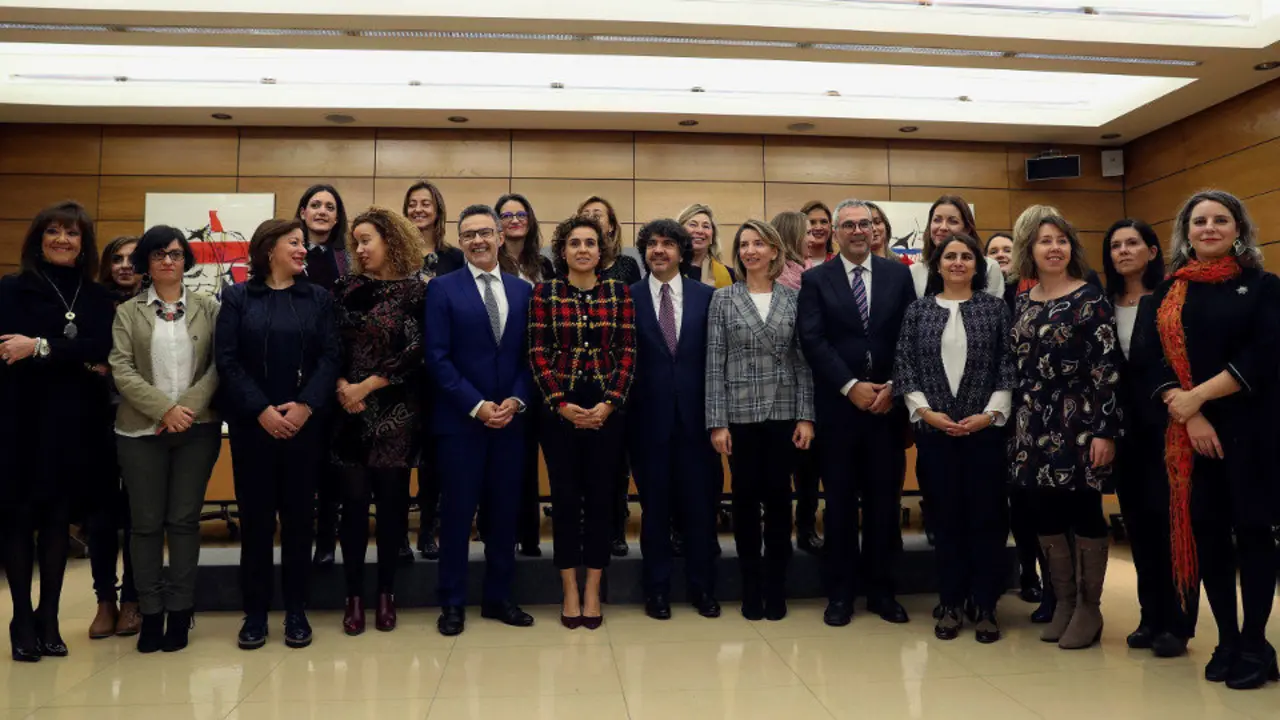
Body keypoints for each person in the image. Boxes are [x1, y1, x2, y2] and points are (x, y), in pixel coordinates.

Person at [1135, 190, 1280, 689]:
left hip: (1252, 433)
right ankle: (1227, 639)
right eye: (1199, 221)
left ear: (1239, 229)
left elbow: (1266, 353)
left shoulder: (1263, 287)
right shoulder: (1165, 295)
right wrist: (1191, 414)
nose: (1210, 228)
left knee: (1254, 534)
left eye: (1221, 220)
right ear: (1186, 232)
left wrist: (1197, 397)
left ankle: (1258, 642)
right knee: (1210, 538)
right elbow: (1150, 362)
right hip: (1191, 438)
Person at [215, 218, 340, 651]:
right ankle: (254, 615)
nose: (303, 250)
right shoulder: (236, 298)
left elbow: (330, 357)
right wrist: (262, 410)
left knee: (300, 522)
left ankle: (296, 611)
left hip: (305, 428)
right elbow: (227, 361)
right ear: (269, 249)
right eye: (294, 243)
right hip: (254, 429)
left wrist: (305, 405)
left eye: (303, 243)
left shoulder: (319, 298)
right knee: (255, 522)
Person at [0, 201, 115, 662]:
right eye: (53, 232)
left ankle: (49, 616)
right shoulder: (12, 288)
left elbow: (102, 348)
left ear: (84, 244)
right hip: (19, 418)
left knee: (56, 520)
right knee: (18, 517)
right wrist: (73, 356)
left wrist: (41, 347)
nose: (62, 240)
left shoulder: (95, 296)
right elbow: (8, 348)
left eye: (72, 233)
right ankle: (21, 617)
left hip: (75, 421)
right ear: (38, 239)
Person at [797, 199, 916, 627]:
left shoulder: (898, 275)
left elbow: (911, 335)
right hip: (839, 411)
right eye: (848, 225)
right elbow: (812, 340)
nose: (858, 231)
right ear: (836, 233)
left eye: (864, 223)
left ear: (875, 229)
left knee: (885, 505)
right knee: (841, 505)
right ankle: (841, 594)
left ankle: (883, 592)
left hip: (888, 410)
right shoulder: (816, 279)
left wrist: (893, 388)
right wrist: (850, 387)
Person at [893, 232, 1015, 643]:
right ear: (937, 264)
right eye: (950, 256)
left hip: (985, 434)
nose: (958, 262)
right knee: (945, 521)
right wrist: (927, 413)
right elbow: (905, 367)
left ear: (978, 266)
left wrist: (990, 414)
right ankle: (949, 601)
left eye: (966, 256)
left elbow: (1007, 366)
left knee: (986, 519)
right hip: (935, 434)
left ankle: (985, 604)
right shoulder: (918, 311)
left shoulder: (996, 309)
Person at [1009, 213, 1122, 651]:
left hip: (1080, 424)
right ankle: (1065, 602)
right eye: (1043, 242)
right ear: (1030, 251)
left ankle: (1090, 609)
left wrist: (1105, 431)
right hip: (1031, 423)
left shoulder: (1090, 300)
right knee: (1043, 512)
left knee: (1084, 512)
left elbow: (1107, 369)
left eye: (1061, 241)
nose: (1053, 248)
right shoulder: (1023, 302)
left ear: (1071, 248)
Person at [109, 225, 222, 653]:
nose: (168, 261)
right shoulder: (128, 312)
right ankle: (150, 612)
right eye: (158, 255)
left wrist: (185, 410)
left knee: (183, 521)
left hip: (198, 429)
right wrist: (164, 410)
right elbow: (121, 368)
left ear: (186, 259)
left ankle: (180, 610)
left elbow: (216, 366)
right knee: (146, 525)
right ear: (146, 263)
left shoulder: (208, 307)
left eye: (175, 254)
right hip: (139, 431)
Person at [426, 204, 536, 637]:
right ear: (461, 239)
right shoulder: (442, 289)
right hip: (461, 424)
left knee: (504, 515)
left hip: (511, 423)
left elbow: (532, 357)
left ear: (498, 235)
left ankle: (499, 598)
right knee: (456, 515)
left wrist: (515, 400)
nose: (478, 241)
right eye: (468, 234)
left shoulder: (523, 291)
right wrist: (477, 405)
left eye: (485, 233)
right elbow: (436, 358)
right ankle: (452, 603)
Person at [528, 216, 636, 629]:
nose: (583, 249)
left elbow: (628, 352)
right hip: (560, 412)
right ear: (563, 251)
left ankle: (594, 587)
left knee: (601, 503)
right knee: (566, 502)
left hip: (607, 412)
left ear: (602, 250)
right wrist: (560, 403)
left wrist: (609, 403)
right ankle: (569, 588)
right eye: (574, 243)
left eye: (590, 242)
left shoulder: (619, 293)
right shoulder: (546, 293)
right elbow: (537, 352)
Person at [707, 220, 815, 621]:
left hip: (784, 414)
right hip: (740, 416)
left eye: (759, 243)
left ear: (774, 251)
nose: (750, 250)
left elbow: (803, 364)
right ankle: (751, 587)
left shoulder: (793, 298)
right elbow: (713, 364)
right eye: (744, 244)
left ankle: (777, 588)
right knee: (747, 504)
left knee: (780, 503)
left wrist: (807, 416)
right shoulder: (723, 300)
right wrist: (717, 422)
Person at [332, 208, 427, 635]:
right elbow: (328, 343)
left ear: (391, 239)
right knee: (351, 510)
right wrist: (341, 386)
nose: (360, 249)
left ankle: (386, 593)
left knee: (391, 511)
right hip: (346, 413)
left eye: (367, 239)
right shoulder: (344, 287)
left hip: (396, 414)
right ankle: (353, 597)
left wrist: (366, 386)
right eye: (355, 242)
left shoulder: (416, 292)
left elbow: (416, 353)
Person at [1101, 218, 1192, 658]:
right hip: (1124, 430)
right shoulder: (1102, 301)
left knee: (1171, 524)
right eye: (1115, 245)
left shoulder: (1172, 298)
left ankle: (1178, 622)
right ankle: (1150, 615)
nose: (1124, 251)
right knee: (1138, 524)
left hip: (1169, 425)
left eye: (1133, 243)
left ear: (1152, 250)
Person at [627, 219, 722, 620]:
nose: (659, 250)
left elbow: (719, 361)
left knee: (700, 510)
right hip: (647, 424)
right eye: (652, 244)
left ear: (683, 252)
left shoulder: (709, 297)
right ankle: (658, 591)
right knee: (655, 512)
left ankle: (702, 589)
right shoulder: (626, 298)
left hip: (699, 423)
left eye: (668, 243)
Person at [577, 195, 641, 557]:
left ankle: (615, 528)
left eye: (598, 215)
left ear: (612, 226)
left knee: (616, 464)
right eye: (586, 216)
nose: (592, 220)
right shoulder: (565, 267)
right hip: (576, 381)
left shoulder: (627, 267)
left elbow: (628, 331)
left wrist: (614, 392)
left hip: (616, 379)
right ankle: (587, 525)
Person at [403, 180, 464, 561]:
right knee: (397, 453)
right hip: (400, 368)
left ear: (439, 211)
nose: (419, 210)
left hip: (442, 366)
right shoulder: (394, 254)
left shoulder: (454, 258)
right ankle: (396, 535)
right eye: (413, 204)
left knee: (434, 456)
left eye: (427, 204)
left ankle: (428, 529)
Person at [87, 235, 143, 641]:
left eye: (132, 258)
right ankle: (105, 598)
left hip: (143, 417)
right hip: (95, 420)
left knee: (141, 515)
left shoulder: (158, 305)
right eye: (117, 258)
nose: (124, 265)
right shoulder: (89, 303)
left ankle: (133, 601)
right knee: (102, 515)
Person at [295, 184, 349, 569]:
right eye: (315, 204)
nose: (322, 211)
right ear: (302, 212)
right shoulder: (290, 254)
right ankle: (301, 536)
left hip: (339, 372)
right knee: (301, 464)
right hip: (294, 371)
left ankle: (327, 539)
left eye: (330, 207)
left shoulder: (347, 258)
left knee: (334, 463)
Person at [496, 192, 551, 557]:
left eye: (521, 214)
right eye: (506, 214)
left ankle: (529, 537)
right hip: (499, 369)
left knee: (529, 456)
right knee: (501, 458)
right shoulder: (487, 262)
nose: (514, 219)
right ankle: (497, 533)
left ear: (529, 221)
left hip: (539, 370)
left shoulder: (545, 266)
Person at [772, 211, 823, 555]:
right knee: (793, 467)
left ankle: (805, 525)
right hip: (783, 384)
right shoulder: (784, 277)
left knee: (808, 465)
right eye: (806, 232)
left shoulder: (810, 272)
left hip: (812, 383)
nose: (812, 237)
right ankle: (798, 529)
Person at [911, 196, 1003, 299]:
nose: (943, 227)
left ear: (967, 229)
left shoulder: (990, 267)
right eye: (937, 220)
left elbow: (994, 309)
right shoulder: (916, 271)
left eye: (953, 221)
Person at [679, 203, 736, 288]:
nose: (700, 231)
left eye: (706, 226)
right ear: (679, 230)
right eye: (693, 225)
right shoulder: (666, 270)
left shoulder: (731, 275)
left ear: (712, 236)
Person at [768, 211, 808, 291]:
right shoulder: (773, 277)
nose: (812, 239)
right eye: (808, 233)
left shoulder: (810, 269)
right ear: (792, 238)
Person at [800, 200, 835, 269]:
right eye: (812, 222)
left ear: (830, 227)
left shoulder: (840, 263)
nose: (818, 228)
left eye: (823, 222)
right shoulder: (790, 265)